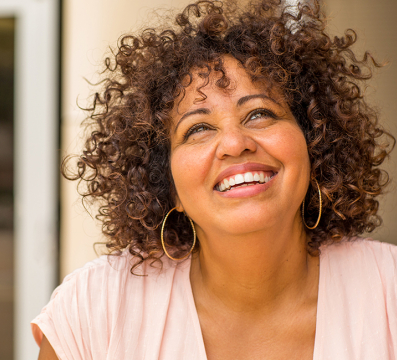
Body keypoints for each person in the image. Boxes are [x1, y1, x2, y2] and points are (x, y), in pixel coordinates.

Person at [33, 0, 397, 359]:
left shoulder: (389, 290)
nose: (235, 144)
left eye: (259, 114)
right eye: (199, 129)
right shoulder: (98, 309)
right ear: (166, 182)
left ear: (314, 144)